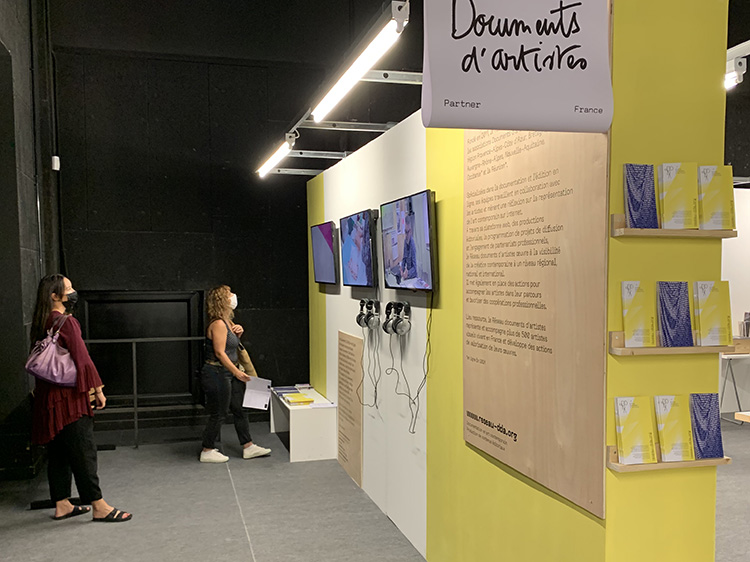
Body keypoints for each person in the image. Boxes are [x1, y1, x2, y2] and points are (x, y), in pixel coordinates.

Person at [30, 274, 132, 522]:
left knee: (58, 451)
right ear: (55, 296)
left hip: (47, 398)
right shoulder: (67, 323)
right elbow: (83, 360)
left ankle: (62, 503)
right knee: (84, 451)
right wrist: (97, 390)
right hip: (69, 398)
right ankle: (98, 505)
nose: (73, 291)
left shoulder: (41, 322)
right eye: (68, 288)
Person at [200, 285, 271, 463]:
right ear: (221, 300)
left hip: (228, 372)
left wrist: (237, 335)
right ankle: (207, 449)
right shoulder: (218, 324)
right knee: (219, 412)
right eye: (229, 294)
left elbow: (229, 347)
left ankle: (248, 446)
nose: (233, 296)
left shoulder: (228, 322)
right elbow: (219, 353)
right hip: (217, 372)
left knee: (239, 409)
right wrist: (237, 372)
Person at [400, 214, 417, 281]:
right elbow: (404, 258)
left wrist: (408, 274)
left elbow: (415, 268)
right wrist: (402, 269)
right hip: (407, 277)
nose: (406, 235)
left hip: (413, 277)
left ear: (411, 231)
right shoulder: (405, 241)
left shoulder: (412, 245)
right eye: (405, 232)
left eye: (407, 232)